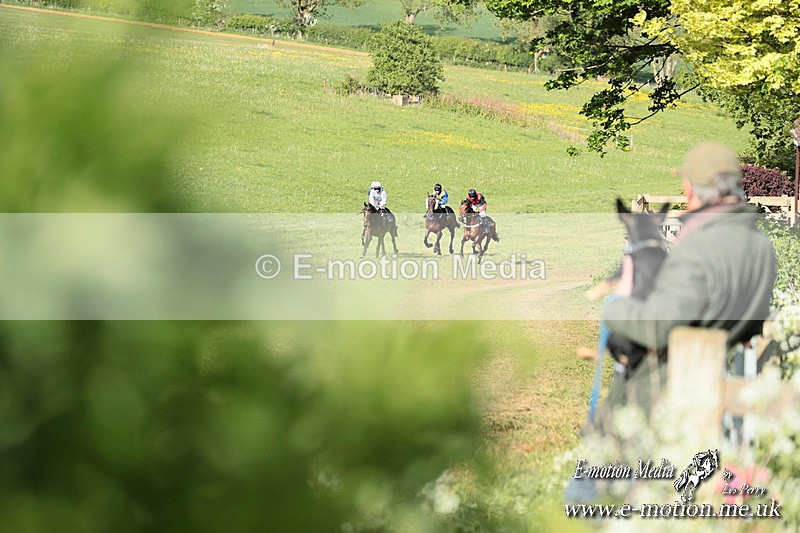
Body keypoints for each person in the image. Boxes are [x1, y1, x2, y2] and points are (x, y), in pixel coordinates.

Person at [565, 142, 777, 505]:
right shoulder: (761, 246)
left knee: (591, 500)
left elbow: (658, 327)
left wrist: (616, 308)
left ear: (691, 189)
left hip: (660, 390)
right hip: (721, 382)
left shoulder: (700, 247)